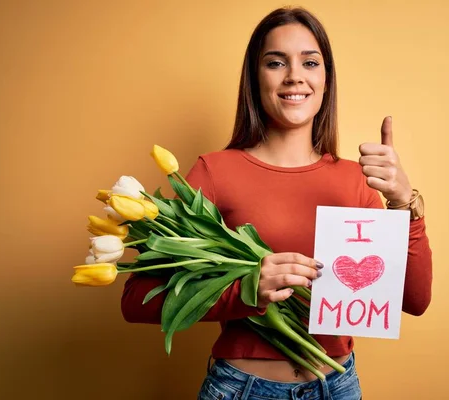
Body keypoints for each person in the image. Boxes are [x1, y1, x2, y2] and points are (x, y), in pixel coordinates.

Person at [121, 6, 432, 399]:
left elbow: (415, 301)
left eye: (310, 62)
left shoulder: (357, 179)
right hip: (242, 389)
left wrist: (406, 202)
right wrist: (246, 289)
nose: (295, 76)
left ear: (325, 79)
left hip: (337, 387)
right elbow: (135, 300)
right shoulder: (215, 172)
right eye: (275, 62)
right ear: (256, 77)